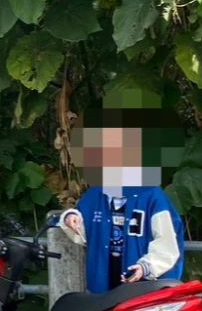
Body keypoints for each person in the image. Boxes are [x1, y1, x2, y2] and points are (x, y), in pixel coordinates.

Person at [58, 99, 185, 294]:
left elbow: (168, 243)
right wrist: (70, 218)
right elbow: (82, 230)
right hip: (102, 290)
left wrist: (146, 267)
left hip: (143, 291)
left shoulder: (153, 196)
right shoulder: (96, 193)